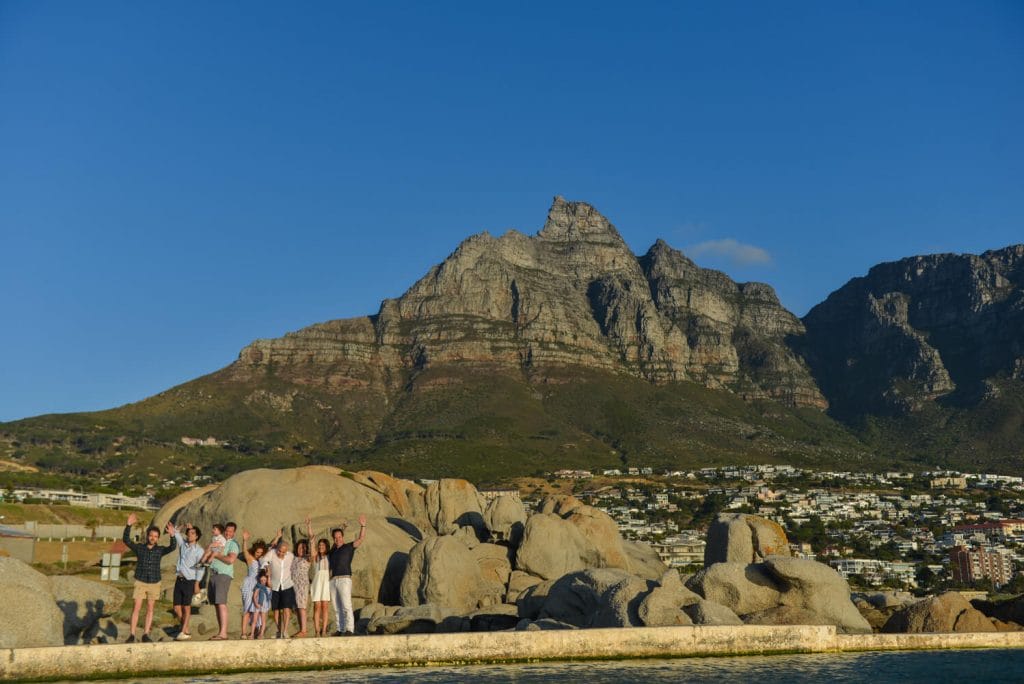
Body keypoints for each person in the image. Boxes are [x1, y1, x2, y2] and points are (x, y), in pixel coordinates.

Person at [122, 513, 177, 643]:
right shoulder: (139, 548)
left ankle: (146, 634)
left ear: (158, 538)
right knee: (136, 607)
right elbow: (126, 540)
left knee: (150, 609)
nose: (153, 538)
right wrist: (128, 525)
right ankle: (132, 634)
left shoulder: (160, 550)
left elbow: (172, 547)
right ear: (147, 536)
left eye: (155, 536)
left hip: (154, 582)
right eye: (151, 535)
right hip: (140, 581)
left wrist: (172, 535)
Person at [328, 514, 366, 636]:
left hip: (345, 579)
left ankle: (350, 629)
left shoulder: (349, 547)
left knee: (346, 605)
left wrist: (363, 525)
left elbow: (360, 539)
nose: (337, 539)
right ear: (333, 539)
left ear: (342, 537)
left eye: (339, 537)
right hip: (333, 580)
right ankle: (341, 629)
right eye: (335, 537)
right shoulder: (333, 550)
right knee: (336, 606)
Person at [171, 522, 205, 640]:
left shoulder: (199, 551)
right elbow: (175, 532)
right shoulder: (183, 545)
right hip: (179, 579)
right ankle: (185, 628)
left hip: (189, 581)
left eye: (192, 533)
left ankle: (183, 631)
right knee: (176, 607)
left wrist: (197, 583)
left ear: (196, 536)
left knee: (186, 607)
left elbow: (200, 568)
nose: (189, 535)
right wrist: (182, 525)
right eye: (188, 533)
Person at [207, 521, 240, 640]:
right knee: (217, 604)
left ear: (234, 533)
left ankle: (223, 633)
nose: (228, 533)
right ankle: (221, 632)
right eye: (226, 530)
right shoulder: (221, 541)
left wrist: (216, 555)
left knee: (221, 603)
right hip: (214, 574)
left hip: (223, 575)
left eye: (230, 531)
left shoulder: (233, 544)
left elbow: (230, 560)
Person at [265, 528, 297, 638]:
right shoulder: (272, 553)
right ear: (277, 548)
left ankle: (285, 631)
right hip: (274, 585)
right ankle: (279, 631)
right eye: (279, 551)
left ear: (286, 551)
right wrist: (266, 569)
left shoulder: (290, 556)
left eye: (283, 552)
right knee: (276, 609)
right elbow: (264, 561)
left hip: (287, 585)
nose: (281, 553)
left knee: (287, 608)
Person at [239, 531, 269, 640]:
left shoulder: (263, 561)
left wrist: (277, 538)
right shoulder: (250, 559)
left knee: (258, 609)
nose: (259, 554)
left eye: (261, 552)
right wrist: (245, 540)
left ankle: (256, 632)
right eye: (257, 552)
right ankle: (243, 633)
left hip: (259, 585)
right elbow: (245, 551)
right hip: (249, 584)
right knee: (247, 609)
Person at [310, 534, 331, 637]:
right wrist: (312, 540)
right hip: (317, 582)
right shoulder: (316, 556)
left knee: (325, 607)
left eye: (323, 545)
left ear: (326, 546)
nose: (321, 547)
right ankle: (317, 631)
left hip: (326, 582)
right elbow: (312, 548)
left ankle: (324, 631)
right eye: (319, 545)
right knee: (317, 607)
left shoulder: (330, 556)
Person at [292, 528, 312, 637]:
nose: (302, 549)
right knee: (297, 608)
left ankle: (304, 630)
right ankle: (301, 629)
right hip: (293, 585)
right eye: (300, 547)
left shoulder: (307, 558)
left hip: (302, 584)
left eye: (304, 548)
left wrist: (310, 536)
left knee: (302, 607)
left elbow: (313, 553)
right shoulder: (293, 558)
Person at [251, 570, 272, 639]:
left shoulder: (268, 587)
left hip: (264, 605)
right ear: (259, 579)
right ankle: (252, 634)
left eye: (264, 580)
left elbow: (269, 596)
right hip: (258, 604)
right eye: (262, 579)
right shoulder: (258, 586)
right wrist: (256, 604)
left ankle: (261, 634)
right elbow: (254, 596)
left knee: (263, 620)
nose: (263, 581)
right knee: (254, 620)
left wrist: (268, 574)